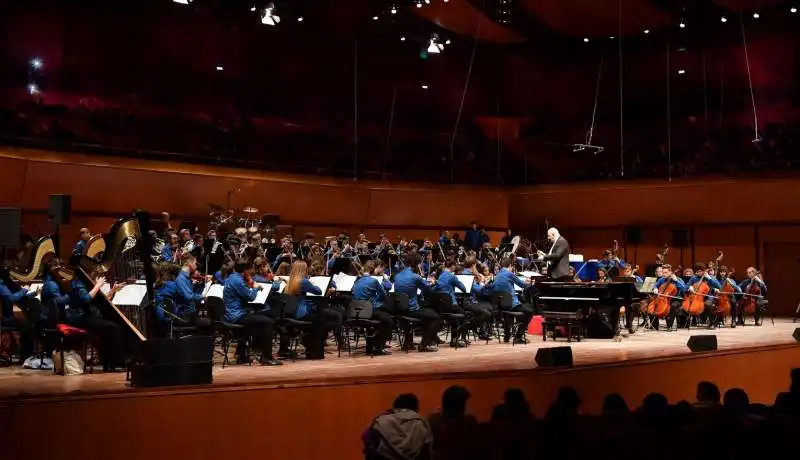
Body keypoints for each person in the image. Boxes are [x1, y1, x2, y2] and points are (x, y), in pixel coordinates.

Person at [223, 258, 282, 365]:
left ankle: (242, 355)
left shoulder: (232, 278)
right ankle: (266, 357)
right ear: (245, 270)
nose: (250, 272)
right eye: (249, 270)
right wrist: (255, 287)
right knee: (269, 322)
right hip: (237, 316)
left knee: (260, 317)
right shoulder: (238, 281)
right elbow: (250, 297)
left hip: (231, 314)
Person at [66, 270, 125, 371]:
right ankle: (114, 362)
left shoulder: (86, 283)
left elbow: (99, 302)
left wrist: (113, 290)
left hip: (87, 317)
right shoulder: (78, 283)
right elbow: (86, 299)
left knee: (111, 327)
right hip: (79, 319)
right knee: (113, 328)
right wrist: (98, 285)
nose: (96, 276)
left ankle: (109, 363)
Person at [363, 393, 432, 460]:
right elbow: (427, 455)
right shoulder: (421, 424)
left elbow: (369, 446)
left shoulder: (381, 422)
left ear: (395, 407)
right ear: (416, 408)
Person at [393, 252, 439, 352]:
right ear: (416, 264)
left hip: (400, 309)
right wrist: (433, 283)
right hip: (411, 310)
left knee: (427, 314)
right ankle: (424, 345)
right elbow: (428, 290)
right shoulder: (415, 277)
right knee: (434, 317)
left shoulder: (397, 276)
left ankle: (408, 342)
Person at [285, 260, 326, 359]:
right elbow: (318, 291)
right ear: (303, 270)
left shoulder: (290, 281)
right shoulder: (304, 281)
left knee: (317, 318)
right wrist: (312, 283)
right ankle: (315, 352)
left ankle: (308, 346)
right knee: (320, 320)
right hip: (301, 314)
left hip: (291, 313)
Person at [351, 260, 392, 355]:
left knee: (381, 317)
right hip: (370, 311)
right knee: (387, 320)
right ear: (373, 270)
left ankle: (370, 346)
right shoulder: (373, 281)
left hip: (357, 312)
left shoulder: (358, 280)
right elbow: (384, 295)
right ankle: (379, 347)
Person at [490, 256, 533, 343]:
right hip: (510, 304)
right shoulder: (509, 274)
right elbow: (522, 285)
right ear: (510, 265)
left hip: (500, 305)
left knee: (508, 311)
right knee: (529, 311)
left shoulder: (497, 275)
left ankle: (507, 336)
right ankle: (518, 336)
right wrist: (530, 283)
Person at [432, 259, 467, 347]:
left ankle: (454, 339)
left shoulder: (441, 275)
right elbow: (463, 289)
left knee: (453, 316)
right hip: (450, 303)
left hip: (441, 304)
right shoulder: (452, 276)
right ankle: (456, 339)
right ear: (452, 266)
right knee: (463, 314)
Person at [650, 264, 687, 331]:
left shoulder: (678, 279)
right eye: (663, 272)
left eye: (665, 273)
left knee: (673, 305)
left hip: (676, 299)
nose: (663, 274)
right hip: (664, 299)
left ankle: (669, 326)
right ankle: (654, 326)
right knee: (653, 304)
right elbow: (655, 286)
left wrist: (676, 281)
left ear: (670, 272)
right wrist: (655, 288)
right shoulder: (661, 279)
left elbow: (684, 289)